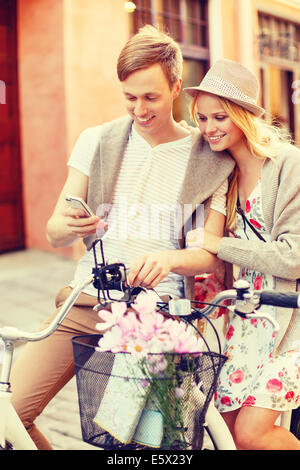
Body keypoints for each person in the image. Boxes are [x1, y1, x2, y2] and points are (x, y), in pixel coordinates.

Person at [10, 26, 234, 450]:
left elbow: (208, 252)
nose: (139, 109)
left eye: (150, 97)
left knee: (145, 444)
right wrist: (72, 226)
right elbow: (54, 231)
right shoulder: (97, 140)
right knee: (6, 415)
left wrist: (169, 260)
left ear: (175, 87)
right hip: (87, 300)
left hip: (159, 315)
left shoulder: (205, 157)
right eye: (129, 97)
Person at [184, 58, 300, 450]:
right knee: (228, 434)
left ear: (243, 116)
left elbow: (292, 257)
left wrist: (219, 245)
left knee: (253, 434)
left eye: (220, 117)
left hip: (291, 319)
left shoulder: (288, 165)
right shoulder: (222, 174)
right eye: (202, 118)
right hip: (244, 320)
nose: (209, 128)